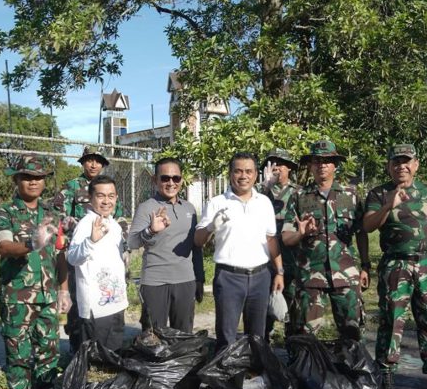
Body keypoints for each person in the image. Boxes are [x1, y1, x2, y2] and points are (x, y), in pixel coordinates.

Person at [363, 144, 427, 389]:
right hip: (396, 265)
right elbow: (367, 226)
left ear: (415, 165)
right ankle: (386, 381)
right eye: (396, 162)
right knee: (391, 322)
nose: (401, 166)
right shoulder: (379, 193)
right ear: (389, 166)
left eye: (406, 162)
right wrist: (388, 206)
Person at [0, 154, 70, 389]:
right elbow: (3, 247)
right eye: (27, 177)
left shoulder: (52, 214)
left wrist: (64, 290)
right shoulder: (6, 213)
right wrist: (30, 245)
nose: (33, 182)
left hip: (48, 297)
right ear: (16, 180)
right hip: (18, 298)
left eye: (38, 177)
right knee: (19, 356)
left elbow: (60, 253)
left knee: (49, 353)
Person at [194, 152, 283, 351]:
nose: (243, 176)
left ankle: (256, 369)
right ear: (230, 173)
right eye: (238, 171)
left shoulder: (264, 202)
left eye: (249, 171)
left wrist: (279, 272)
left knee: (258, 336)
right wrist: (211, 227)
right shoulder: (217, 203)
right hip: (229, 278)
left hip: (260, 277)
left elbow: (271, 239)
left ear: (256, 175)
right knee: (227, 337)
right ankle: (227, 371)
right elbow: (198, 240)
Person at [282, 141, 370, 340]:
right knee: (304, 335)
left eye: (327, 161)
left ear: (335, 165)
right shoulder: (299, 197)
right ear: (311, 165)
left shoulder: (350, 195)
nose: (322, 165)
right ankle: (306, 362)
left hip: (345, 273)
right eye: (317, 161)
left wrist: (365, 265)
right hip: (310, 275)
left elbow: (361, 232)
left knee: (352, 333)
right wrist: (301, 233)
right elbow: (286, 238)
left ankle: (348, 361)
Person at [52, 146, 126, 353]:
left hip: (105, 252)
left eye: (98, 160)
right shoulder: (72, 187)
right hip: (80, 251)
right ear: (83, 162)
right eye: (89, 160)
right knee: (80, 306)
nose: (93, 164)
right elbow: (58, 216)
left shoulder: (108, 187)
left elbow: (119, 216)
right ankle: (77, 349)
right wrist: (79, 227)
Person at [127, 157, 204, 333]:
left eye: (176, 178)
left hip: (185, 281)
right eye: (165, 178)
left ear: (181, 180)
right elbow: (132, 242)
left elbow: (195, 246)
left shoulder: (189, 208)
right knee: (153, 336)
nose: (171, 183)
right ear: (155, 180)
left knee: (184, 335)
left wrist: (199, 278)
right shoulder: (147, 208)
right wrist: (150, 231)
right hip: (155, 282)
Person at [66, 175, 129, 350]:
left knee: (113, 354)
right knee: (96, 358)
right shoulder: (86, 224)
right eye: (101, 196)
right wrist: (90, 241)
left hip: (116, 304)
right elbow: (72, 257)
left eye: (111, 196)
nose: (106, 201)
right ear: (90, 198)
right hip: (96, 310)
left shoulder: (114, 225)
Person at [255, 148, 301, 339]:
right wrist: (266, 186)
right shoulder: (259, 192)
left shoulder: (299, 192)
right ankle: (262, 348)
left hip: (292, 259)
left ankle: (293, 348)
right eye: (272, 164)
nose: (277, 168)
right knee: (263, 311)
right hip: (264, 260)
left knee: (293, 309)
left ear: (289, 168)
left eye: (281, 164)